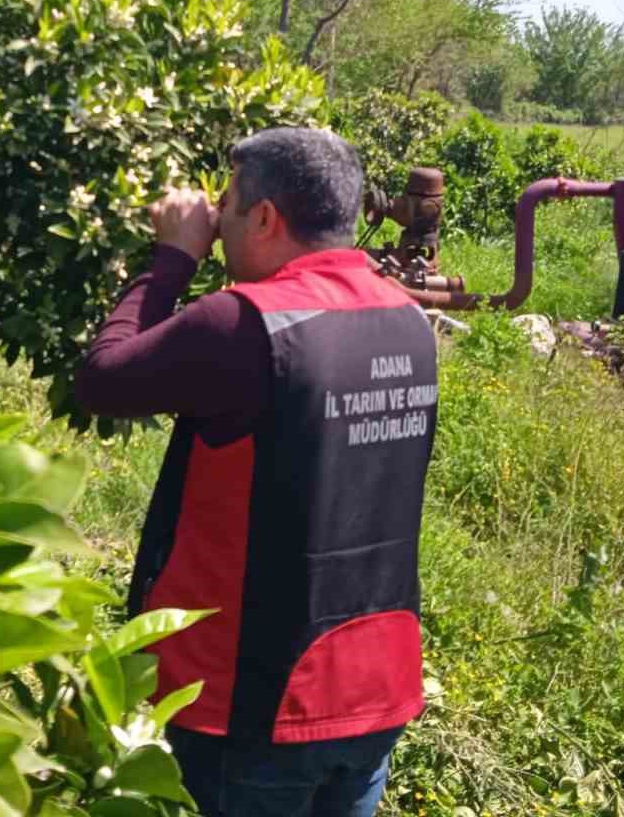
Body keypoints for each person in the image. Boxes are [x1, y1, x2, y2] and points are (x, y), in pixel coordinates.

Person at [76, 127, 440, 817]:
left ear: (267, 218)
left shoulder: (244, 325)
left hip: (254, 705)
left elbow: (101, 380)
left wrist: (172, 259)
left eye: (227, 208)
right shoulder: (409, 321)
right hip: (376, 687)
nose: (218, 226)